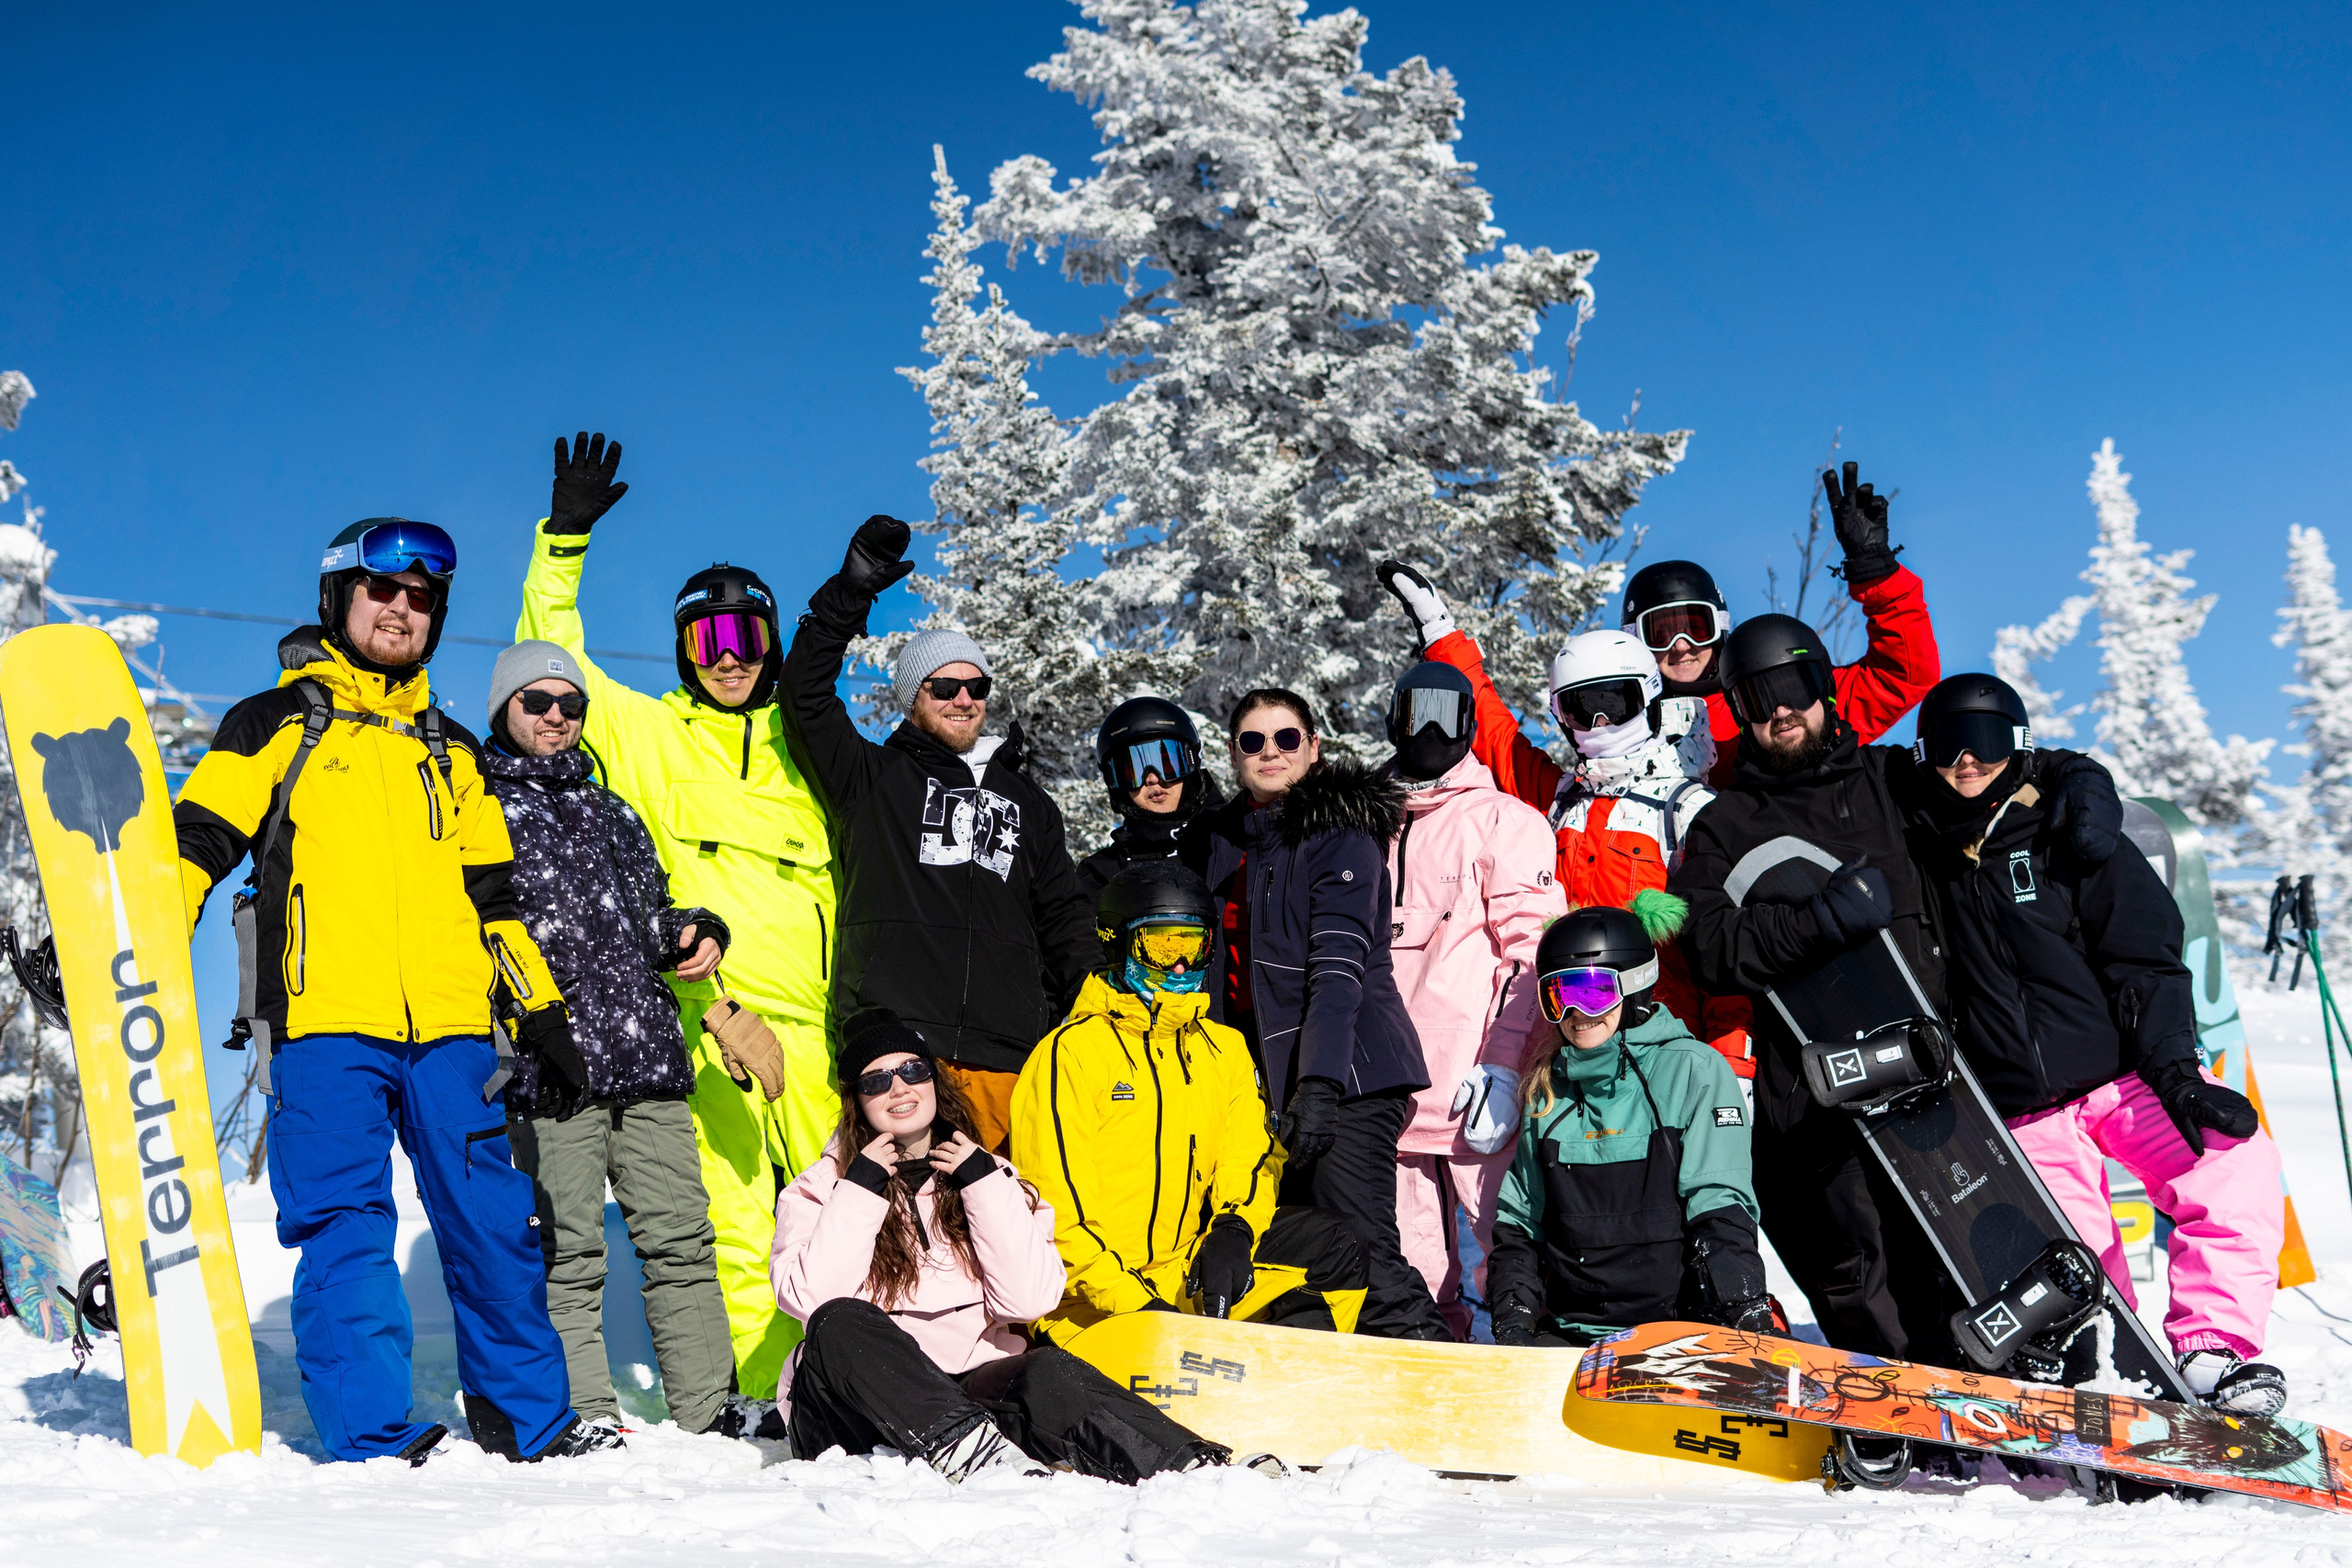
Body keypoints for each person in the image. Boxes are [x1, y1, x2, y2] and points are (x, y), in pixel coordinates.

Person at [173, 519, 599, 1463]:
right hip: (325, 1024)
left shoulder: (454, 751)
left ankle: (527, 1419)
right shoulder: (277, 722)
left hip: (454, 1031)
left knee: (494, 1226)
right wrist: (140, 930)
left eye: (420, 598)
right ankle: (373, 1431)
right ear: (339, 599)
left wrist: (545, 1014)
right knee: (347, 1228)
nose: (401, 609)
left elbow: (497, 902)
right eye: (381, 591)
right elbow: (197, 839)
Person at [1668, 615, 2120, 1361]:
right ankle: (1898, 1415)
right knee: (1861, 1270)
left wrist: (2079, 776)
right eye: (1757, 698)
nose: (1780, 711)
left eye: (1795, 687)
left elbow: (1987, 774)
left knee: (1968, 1259)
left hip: (1939, 1081)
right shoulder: (1724, 826)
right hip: (1817, 1101)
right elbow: (1711, 949)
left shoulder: (1892, 782)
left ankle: (2023, 1397)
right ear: (1737, 713)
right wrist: (1817, 923)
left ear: (1824, 688)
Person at [514, 433, 834, 1420]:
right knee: (733, 1221)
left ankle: (855, 1379)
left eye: (745, 640)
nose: (728, 661)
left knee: (843, 1214)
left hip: (821, 1031)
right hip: (708, 1019)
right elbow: (549, 659)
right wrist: (561, 541)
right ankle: (759, 1396)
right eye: (706, 644)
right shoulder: (650, 735)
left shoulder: (808, 747)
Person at [1902, 673, 2286, 1414]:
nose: (1967, 763)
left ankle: (2213, 1350)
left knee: (2235, 1164)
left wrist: (2174, 1067)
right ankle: (2121, 1377)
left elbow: (2145, 953)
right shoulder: (1919, 845)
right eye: (1948, 747)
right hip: (2021, 1108)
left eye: (1985, 744)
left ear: (2019, 748)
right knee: (2076, 1263)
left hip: (2125, 1077)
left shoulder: (2069, 829)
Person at [772, 1007, 1241, 1482]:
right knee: (839, 1320)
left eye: (912, 1070)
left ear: (934, 1079)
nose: (899, 1088)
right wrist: (860, 1190)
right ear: (856, 1100)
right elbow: (812, 1303)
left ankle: (1191, 1467)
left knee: (1046, 1369)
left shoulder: (988, 1176)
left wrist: (984, 1185)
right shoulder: (822, 1189)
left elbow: (1030, 1300)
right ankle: (971, 1453)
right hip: (856, 1410)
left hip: (972, 1396)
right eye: (876, 1081)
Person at [480, 640, 741, 1440]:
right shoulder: (477, 805)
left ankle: (710, 1405)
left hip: (647, 1057)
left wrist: (694, 930)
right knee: (568, 1250)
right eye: (537, 702)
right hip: (551, 1064)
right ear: (503, 711)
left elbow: (650, 915)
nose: (557, 717)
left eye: (571, 704)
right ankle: (582, 1410)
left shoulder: (611, 810)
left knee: (681, 1240)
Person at [781, 515, 1097, 1153]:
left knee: (1001, 1235)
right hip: (899, 1055)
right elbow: (804, 696)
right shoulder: (871, 779)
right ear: (911, 698)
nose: (963, 698)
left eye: (975, 686)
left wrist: (1094, 1019)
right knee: (900, 1235)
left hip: (1010, 1058)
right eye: (944, 686)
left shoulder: (1027, 802)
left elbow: (1064, 919)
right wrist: (849, 594)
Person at [1374, 568, 1752, 1075]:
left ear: (1646, 695)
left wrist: (1735, 1068)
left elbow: (1725, 955)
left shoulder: (1690, 810)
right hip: (1568, 1043)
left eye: (1613, 704)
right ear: (1560, 715)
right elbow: (1499, 738)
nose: (1599, 723)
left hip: (1665, 1051)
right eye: (1581, 708)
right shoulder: (1561, 802)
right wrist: (1442, 637)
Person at [1011, 862, 1371, 1342]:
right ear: (1119, 943)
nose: (1181, 965)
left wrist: (1233, 1229)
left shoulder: (1222, 1050)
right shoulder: (1071, 1054)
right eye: (1163, 946)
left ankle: (1300, 1388)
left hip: (1180, 1278)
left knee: (1335, 1246)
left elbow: (1251, 1156)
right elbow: (1056, 1216)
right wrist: (1138, 1306)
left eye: (1194, 945)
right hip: (1089, 1305)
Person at [1195, 688, 1452, 1341]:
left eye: (1286, 738)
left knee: (1361, 1237)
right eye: (1252, 741)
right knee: (1304, 1242)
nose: (1270, 752)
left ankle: (1435, 1368)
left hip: (1352, 1072)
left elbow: (1337, 971)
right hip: (1273, 1081)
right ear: (1234, 754)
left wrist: (1319, 1085)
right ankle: (1339, 1375)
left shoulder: (1339, 833)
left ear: (1314, 747)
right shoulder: (1232, 842)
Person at [1376, 663, 1565, 1337]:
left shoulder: (1502, 820)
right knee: (1411, 1266)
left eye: (1445, 713)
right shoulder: (1369, 823)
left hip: (1473, 1086)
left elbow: (1532, 951)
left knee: (1507, 1250)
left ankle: (1536, 1363)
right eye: (1413, 711)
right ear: (1392, 718)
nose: (1427, 729)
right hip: (1388, 1088)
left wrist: (1507, 1066)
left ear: (1466, 724)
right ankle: (1432, 1377)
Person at [1487, 908, 1771, 1345]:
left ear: (1635, 985)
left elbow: (1718, 1203)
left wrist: (1741, 1311)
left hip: (1679, 1332)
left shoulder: (1692, 1071)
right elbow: (1521, 1223)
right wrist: (1514, 1325)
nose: (1577, 1011)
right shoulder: (1547, 1090)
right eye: (1558, 995)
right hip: (1575, 1334)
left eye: (1595, 992)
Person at [1075, 696, 1221, 900]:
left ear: (1191, 763)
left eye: (1167, 764)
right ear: (1114, 784)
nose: (1152, 778)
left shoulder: (1231, 845)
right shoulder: (1099, 877)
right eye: (1133, 772)